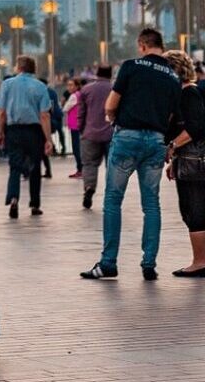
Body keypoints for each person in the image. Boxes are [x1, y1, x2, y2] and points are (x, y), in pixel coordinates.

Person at [82, 28, 182, 281]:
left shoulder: (131, 66)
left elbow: (111, 103)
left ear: (142, 45)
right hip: (156, 140)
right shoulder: (172, 76)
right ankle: (149, 263)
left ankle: (108, 263)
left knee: (113, 200)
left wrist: (112, 117)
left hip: (128, 136)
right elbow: (172, 116)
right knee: (151, 204)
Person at [162, 49, 205, 277]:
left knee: (195, 209)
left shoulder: (189, 94)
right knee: (190, 208)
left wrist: (172, 147)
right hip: (188, 160)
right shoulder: (185, 93)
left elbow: (196, 127)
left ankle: (200, 261)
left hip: (195, 161)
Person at [0, 56, 52, 218]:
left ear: (18, 67)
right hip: (34, 131)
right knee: (35, 166)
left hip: (14, 131)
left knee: (14, 166)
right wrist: (48, 139)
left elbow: (1, 112)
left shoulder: (7, 84)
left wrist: (0, 132)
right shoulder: (40, 86)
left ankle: (13, 198)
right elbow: (44, 115)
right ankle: (34, 204)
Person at [78, 65, 114, 209]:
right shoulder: (115, 89)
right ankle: (111, 194)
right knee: (112, 166)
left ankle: (89, 187)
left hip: (90, 133)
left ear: (97, 74)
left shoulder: (86, 89)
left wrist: (82, 129)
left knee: (89, 164)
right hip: (111, 133)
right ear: (110, 74)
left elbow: (81, 113)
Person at [64, 78, 84, 177]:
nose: (69, 87)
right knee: (79, 147)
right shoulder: (80, 95)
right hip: (80, 124)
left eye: (71, 85)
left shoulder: (73, 96)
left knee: (76, 148)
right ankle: (81, 168)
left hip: (74, 125)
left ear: (77, 86)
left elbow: (65, 108)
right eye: (68, 85)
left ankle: (80, 169)